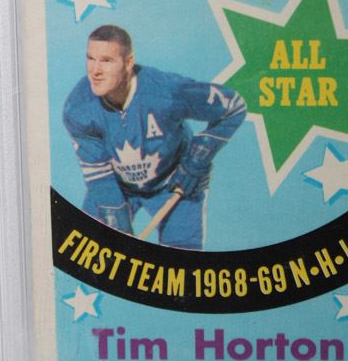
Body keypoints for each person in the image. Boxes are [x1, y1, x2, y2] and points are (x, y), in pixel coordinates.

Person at [63, 25, 246, 250]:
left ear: (128, 63)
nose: (95, 71)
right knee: (94, 253)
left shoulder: (167, 92)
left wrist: (201, 152)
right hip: (119, 184)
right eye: (91, 59)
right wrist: (116, 221)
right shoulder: (79, 107)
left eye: (106, 61)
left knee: (181, 264)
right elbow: (99, 176)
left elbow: (234, 106)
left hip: (175, 181)